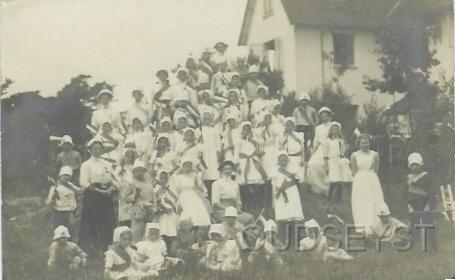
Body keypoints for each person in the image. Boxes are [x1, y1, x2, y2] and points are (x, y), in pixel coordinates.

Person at [79, 136, 117, 257]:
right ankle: (92, 248)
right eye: (94, 148)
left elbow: (115, 180)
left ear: (102, 150)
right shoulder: (86, 164)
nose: (97, 150)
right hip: (93, 195)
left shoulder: (106, 163)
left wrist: (110, 189)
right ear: (90, 150)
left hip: (107, 195)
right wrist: (100, 191)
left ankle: (107, 246)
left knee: (107, 221)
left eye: (99, 148)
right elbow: (84, 182)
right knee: (93, 221)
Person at [350, 134, 385, 235]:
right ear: (359, 144)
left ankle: (375, 226)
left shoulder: (374, 154)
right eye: (363, 143)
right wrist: (360, 178)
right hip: (359, 180)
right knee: (361, 203)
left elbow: (376, 169)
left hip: (372, 180)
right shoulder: (354, 155)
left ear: (369, 143)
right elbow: (354, 171)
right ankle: (362, 227)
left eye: (367, 143)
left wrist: (371, 178)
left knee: (374, 202)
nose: (365, 145)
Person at [235, 121, 268, 216]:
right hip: (244, 163)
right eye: (244, 129)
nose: (246, 131)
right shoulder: (239, 141)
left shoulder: (255, 141)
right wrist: (237, 165)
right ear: (241, 131)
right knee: (244, 184)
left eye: (248, 129)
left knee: (255, 183)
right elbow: (236, 153)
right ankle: (246, 204)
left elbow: (259, 149)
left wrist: (259, 153)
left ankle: (256, 204)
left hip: (253, 163)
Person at [271, 153, 304, 246]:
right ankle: (284, 239)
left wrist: (301, 167)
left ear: (288, 161)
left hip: (292, 194)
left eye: (285, 160)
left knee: (292, 216)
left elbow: (301, 177)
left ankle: (295, 239)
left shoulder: (292, 170)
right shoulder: (275, 172)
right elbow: (273, 187)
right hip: (280, 196)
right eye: (281, 160)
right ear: (278, 161)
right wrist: (273, 200)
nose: (283, 162)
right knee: (283, 217)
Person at [406, 152, 437, 250]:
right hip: (413, 205)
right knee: (414, 224)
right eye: (412, 165)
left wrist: (429, 205)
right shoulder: (408, 178)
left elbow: (432, 191)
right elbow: (404, 194)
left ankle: (432, 243)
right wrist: (409, 206)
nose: (415, 167)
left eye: (417, 165)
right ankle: (415, 243)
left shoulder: (426, 176)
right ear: (409, 166)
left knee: (428, 223)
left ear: (421, 165)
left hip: (424, 204)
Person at [173, 157, 212, 227]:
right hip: (183, 196)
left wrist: (204, 191)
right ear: (182, 166)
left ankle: (197, 225)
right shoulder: (178, 177)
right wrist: (177, 200)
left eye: (189, 166)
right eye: (186, 166)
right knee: (186, 212)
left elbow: (200, 185)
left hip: (193, 195)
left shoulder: (194, 176)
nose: (187, 168)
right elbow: (177, 190)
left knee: (197, 210)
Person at [46, 166, 84, 234]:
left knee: (70, 232)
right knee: (60, 233)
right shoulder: (55, 187)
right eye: (65, 175)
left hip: (70, 214)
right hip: (60, 215)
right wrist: (53, 198)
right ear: (60, 176)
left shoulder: (70, 185)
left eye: (68, 176)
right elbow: (48, 202)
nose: (67, 177)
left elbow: (80, 191)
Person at [325, 122, 352, 214]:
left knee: (340, 180)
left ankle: (339, 198)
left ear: (339, 131)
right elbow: (326, 153)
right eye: (333, 129)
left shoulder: (341, 140)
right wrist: (326, 164)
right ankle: (329, 199)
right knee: (333, 180)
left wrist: (346, 149)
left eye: (337, 129)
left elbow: (343, 151)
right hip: (332, 161)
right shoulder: (328, 141)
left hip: (339, 161)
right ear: (330, 131)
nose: (335, 131)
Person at [307, 106, 333, 195]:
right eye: (322, 116)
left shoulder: (334, 126)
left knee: (327, 166)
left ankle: (327, 188)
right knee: (312, 164)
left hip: (331, 149)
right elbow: (316, 142)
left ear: (330, 116)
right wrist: (312, 155)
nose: (324, 118)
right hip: (321, 149)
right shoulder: (318, 128)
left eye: (326, 116)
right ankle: (317, 188)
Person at [129, 161, 157, 242]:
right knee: (136, 232)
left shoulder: (149, 184)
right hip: (137, 211)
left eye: (141, 170)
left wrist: (154, 209)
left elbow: (153, 197)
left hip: (149, 211)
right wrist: (135, 195)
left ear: (145, 172)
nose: (140, 172)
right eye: (137, 171)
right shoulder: (131, 183)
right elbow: (126, 199)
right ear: (133, 172)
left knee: (147, 232)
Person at [154, 169, 179, 250]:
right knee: (162, 229)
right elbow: (154, 198)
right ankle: (163, 247)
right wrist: (162, 188)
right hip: (161, 212)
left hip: (170, 212)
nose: (163, 180)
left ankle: (171, 247)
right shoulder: (156, 188)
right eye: (161, 178)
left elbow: (175, 199)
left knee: (171, 229)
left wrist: (169, 201)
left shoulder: (171, 188)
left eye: (165, 178)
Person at [200, 111, 222, 198]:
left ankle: (214, 196)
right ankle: (206, 196)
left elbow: (218, 143)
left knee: (214, 173)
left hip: (213, 153)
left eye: (209, 119)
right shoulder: (200, 129)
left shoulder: (215, 130)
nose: (207, 120)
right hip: (204, 153)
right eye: (205, 119)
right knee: (205, 174)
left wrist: (218, 153)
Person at [282, 117, 306, 183]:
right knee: (290, 177)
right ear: (285, 126)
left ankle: (298, 190)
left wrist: (303, 159)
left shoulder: (299, 135)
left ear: (293, 126)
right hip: (289, 159)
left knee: (298, 176)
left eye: (291, 125)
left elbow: (302, 148)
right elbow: (282, 149)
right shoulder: (284, 137)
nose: (289, 127)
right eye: (287, 125)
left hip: (298, 158)